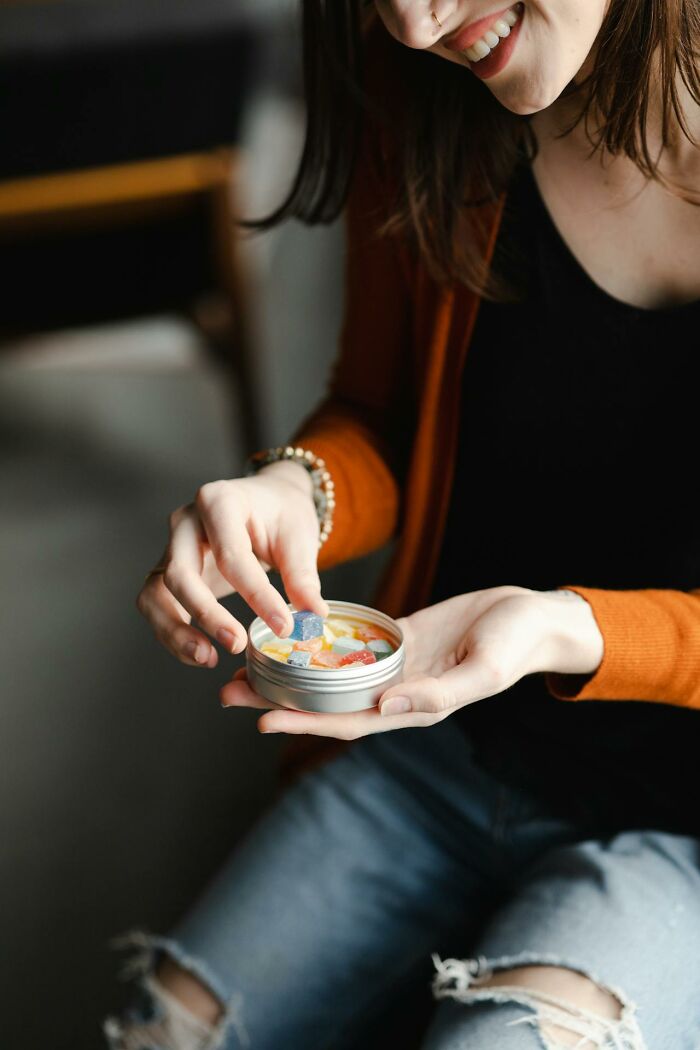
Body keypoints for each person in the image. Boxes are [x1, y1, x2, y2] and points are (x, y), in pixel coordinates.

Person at [105, 1, 700, 1047]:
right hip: (443, 747)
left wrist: (568, 628)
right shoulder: (420, 88)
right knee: (163, 1032)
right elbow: (380, 408)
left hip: (681, 827)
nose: (417, 23)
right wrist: (297, 490)